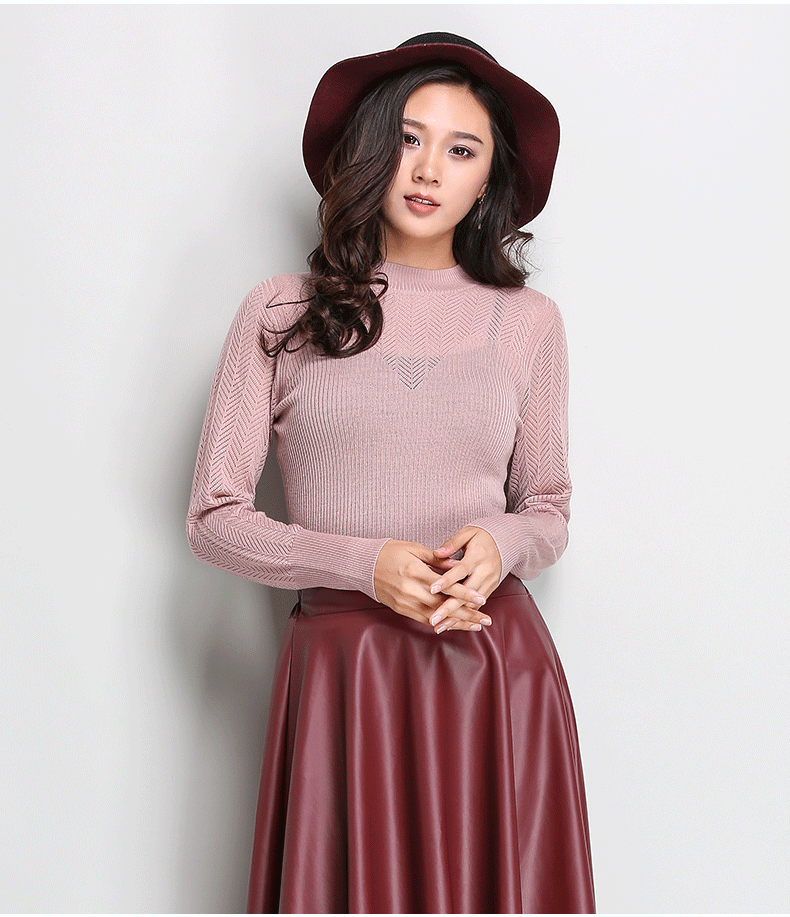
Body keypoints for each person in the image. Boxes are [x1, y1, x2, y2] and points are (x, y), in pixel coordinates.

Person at [186, 32, 595, 914]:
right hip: (347, 673)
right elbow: (214, 518)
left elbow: (549, 507)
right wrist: (364, 564)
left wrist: (501, 541)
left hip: (493, 670)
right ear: (371, 147)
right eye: (410, 138)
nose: (430, 169)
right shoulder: (280, 312)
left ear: (489, 180)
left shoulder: (529, 322)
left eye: (462, 149)